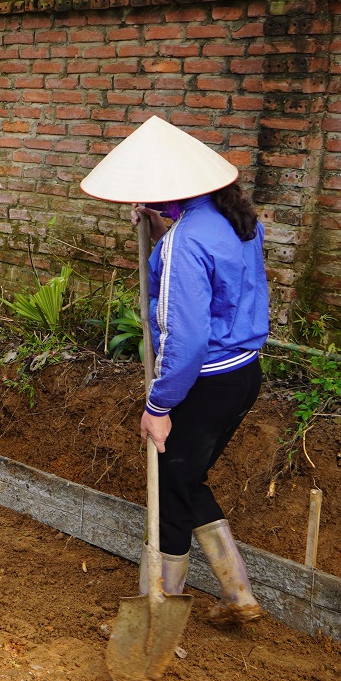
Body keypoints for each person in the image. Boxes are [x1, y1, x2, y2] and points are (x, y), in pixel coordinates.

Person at [80, 115, 269, 628]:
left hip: (204, 381)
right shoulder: (235, 220)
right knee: (187, 478)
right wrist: (162, 225)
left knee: (168, 490)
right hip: (243, 375)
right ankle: (238, 592)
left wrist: (159, 406)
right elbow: (213, 278)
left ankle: (156, 613)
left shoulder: (187, 243)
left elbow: (184, 338)